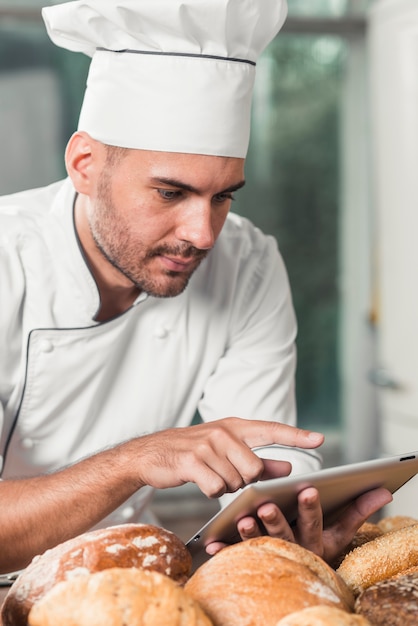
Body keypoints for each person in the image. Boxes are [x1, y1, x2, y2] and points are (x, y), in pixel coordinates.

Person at [0, 0, 391, 575]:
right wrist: (137, 459)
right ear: (86, 164)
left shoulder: (249, 264)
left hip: (121, 580)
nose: (203, 234)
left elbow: (270, 463)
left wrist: (285, 526)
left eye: (224, 196)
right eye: (169, 193)